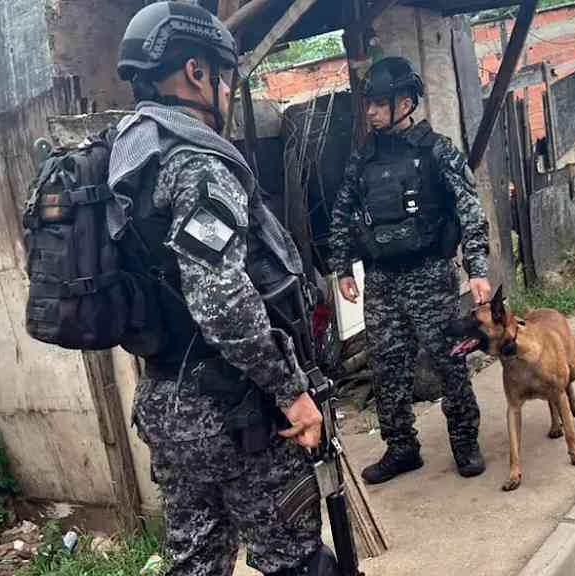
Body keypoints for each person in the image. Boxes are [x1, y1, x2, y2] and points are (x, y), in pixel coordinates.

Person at [109, 3, 336, 574]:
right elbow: (222, 300)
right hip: (236, 412)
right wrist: (291, 392)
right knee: (295, 560)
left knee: (196, 563)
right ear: (195, 71)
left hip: (168, 405)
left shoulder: (128, 157)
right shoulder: (197, 163)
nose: (229, 89)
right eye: (223, 75)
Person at [328, 56, 492, 485]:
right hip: (382, 279)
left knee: (448, 362)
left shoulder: (437, 150)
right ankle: (401, 448)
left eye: (379, 103)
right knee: (387, 367)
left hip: (430, 274)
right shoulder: (363, 157)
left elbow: (470, 211)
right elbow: (342, 212)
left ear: (405, 102)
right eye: (368, 103)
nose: (370, 111)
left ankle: (465, 442)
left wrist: (477, 268)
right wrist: (342, 267)